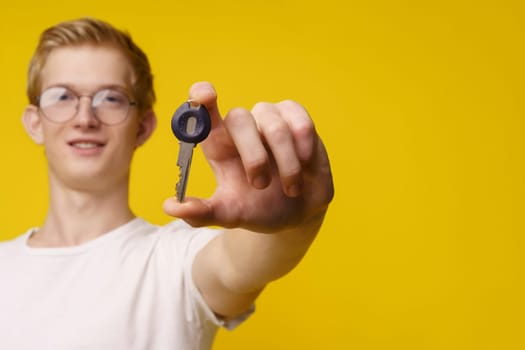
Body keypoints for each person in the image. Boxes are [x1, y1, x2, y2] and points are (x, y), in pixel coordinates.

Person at [0, 17, 334, 349]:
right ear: (34, 123)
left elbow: (234, 265)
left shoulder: (175, 261)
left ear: (143, 127)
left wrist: (297, 223)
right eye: (62, 96)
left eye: (110, 98)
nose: (85, 118)